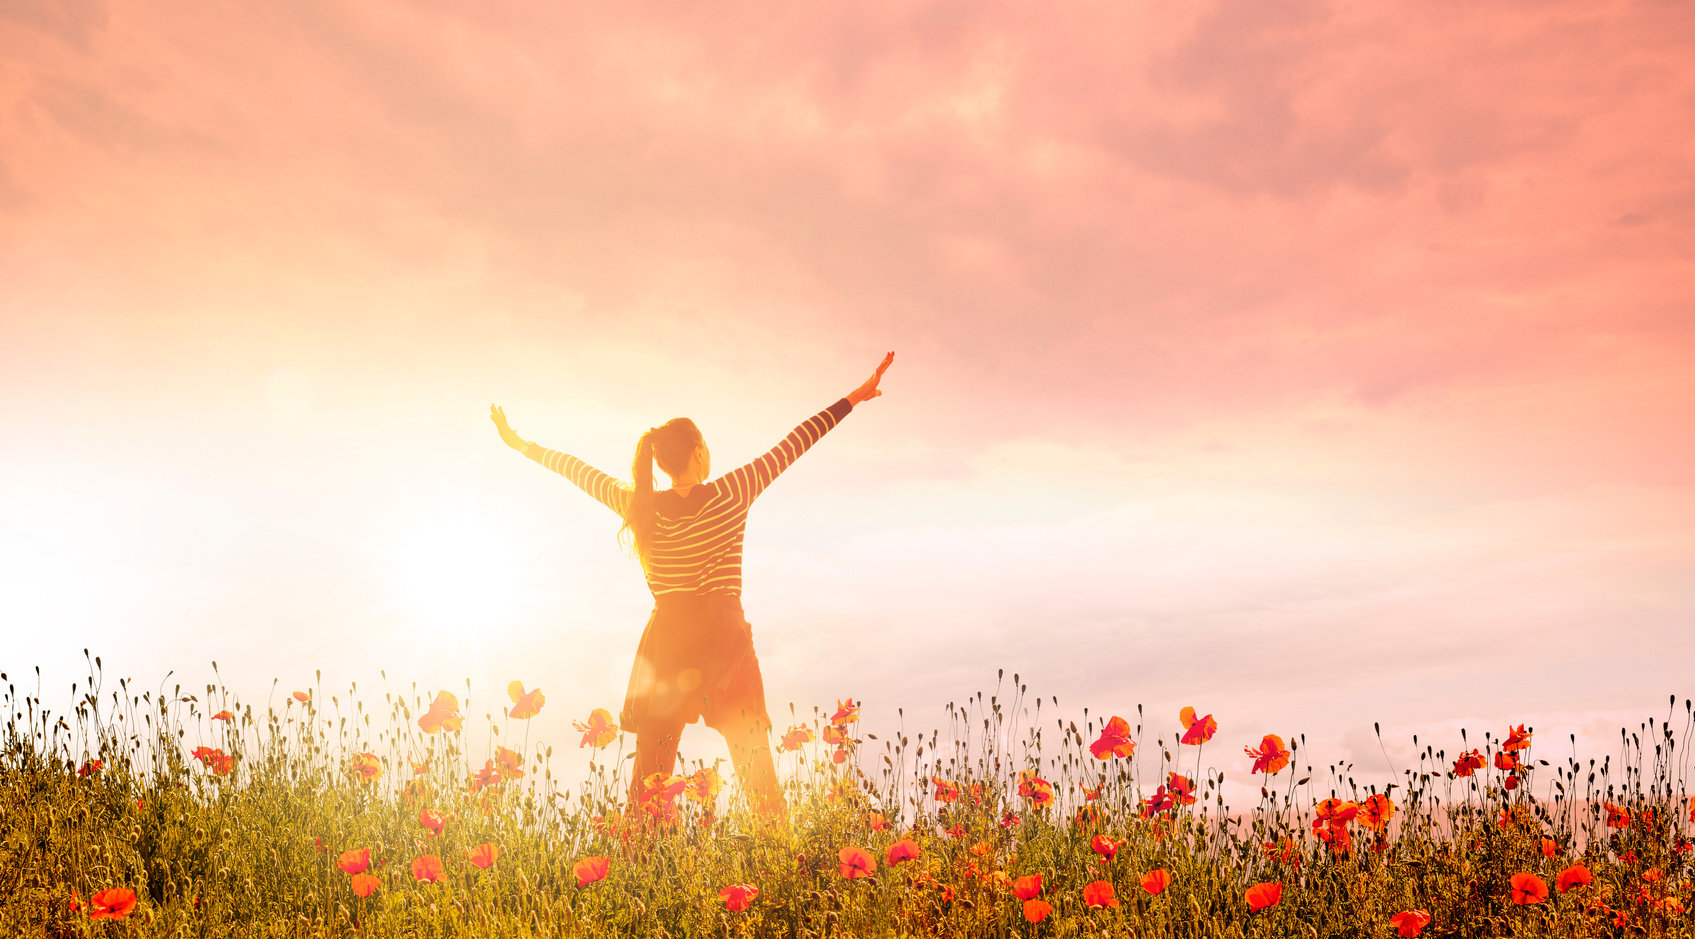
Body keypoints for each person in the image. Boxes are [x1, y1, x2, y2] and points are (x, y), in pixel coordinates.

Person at [489, 352, 893, 823]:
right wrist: (855, 398)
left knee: (651, 776)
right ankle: (782, 859)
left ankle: (640, 861)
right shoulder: (733, 490)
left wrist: (521, 445)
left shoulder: (638, 505)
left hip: (668, 641)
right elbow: (795, 442)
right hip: (724, 636)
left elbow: (576, 470)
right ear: (699, 452)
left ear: (660, 463)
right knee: (754, 763)